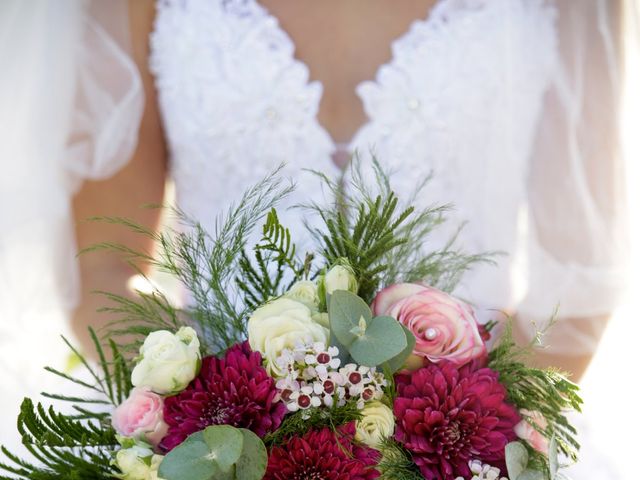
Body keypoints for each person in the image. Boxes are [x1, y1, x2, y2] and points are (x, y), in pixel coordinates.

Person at [0, 0, 634, 453]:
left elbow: (578, 285)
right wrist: (208, 433)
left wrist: (462, 447)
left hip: (467, 443)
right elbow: (102, 267)